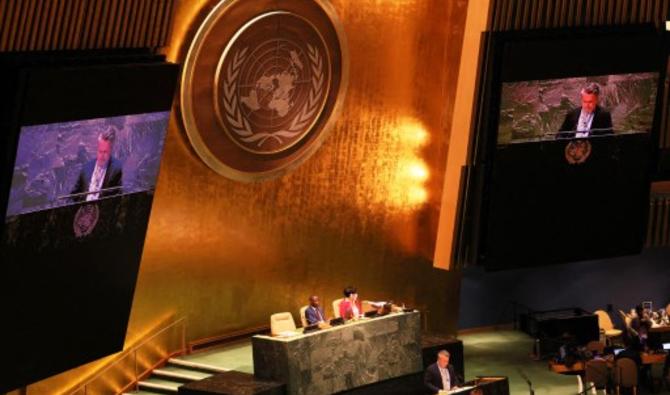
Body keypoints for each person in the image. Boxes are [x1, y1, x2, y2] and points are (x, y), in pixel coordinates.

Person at [71, 128, 123, 202]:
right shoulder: (86, 167)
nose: (101, 156)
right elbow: (74, 195)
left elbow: (118, 200)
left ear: (111, 151)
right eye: (100, 151)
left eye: (105, 152)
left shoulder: (117, 170)